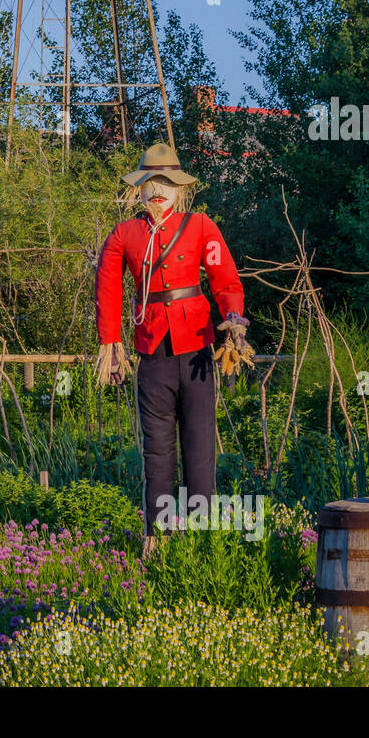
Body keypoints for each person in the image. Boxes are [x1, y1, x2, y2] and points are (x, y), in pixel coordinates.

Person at [93, 143, 253, 556]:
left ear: (180, 189)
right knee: (157, 450)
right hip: (152, 351)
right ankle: (158, 538)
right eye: (151, 182)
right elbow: (108, 289)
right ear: (139, 190)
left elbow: (225, 279)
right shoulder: (124, 234)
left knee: (200, 448)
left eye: (166, 182)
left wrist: (233, 323)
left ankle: (200, 539)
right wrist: (111, 343)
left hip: (198, 349)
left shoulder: (200, 226)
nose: (158, 189)